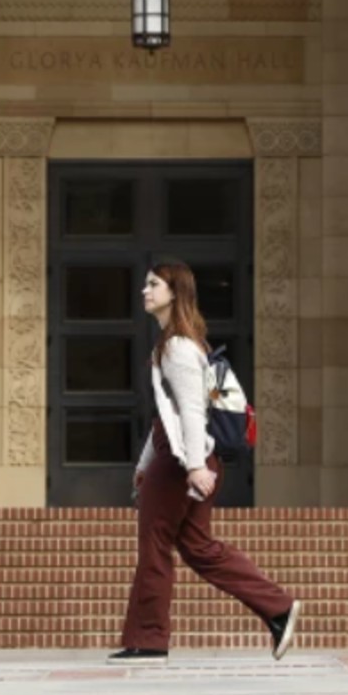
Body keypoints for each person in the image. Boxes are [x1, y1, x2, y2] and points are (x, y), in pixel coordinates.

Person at [110, 258, 301, 663]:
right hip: (178, 455)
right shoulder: (180, 342)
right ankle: (278, 607)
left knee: (155, 544)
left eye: (153, 285)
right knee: (199, 548)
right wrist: (145, 465)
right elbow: (167, 417)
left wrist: (195, 465)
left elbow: (193, 413)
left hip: (181, 461)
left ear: (174, 293)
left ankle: (149, 638)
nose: (144, 291)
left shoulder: (178, 346)